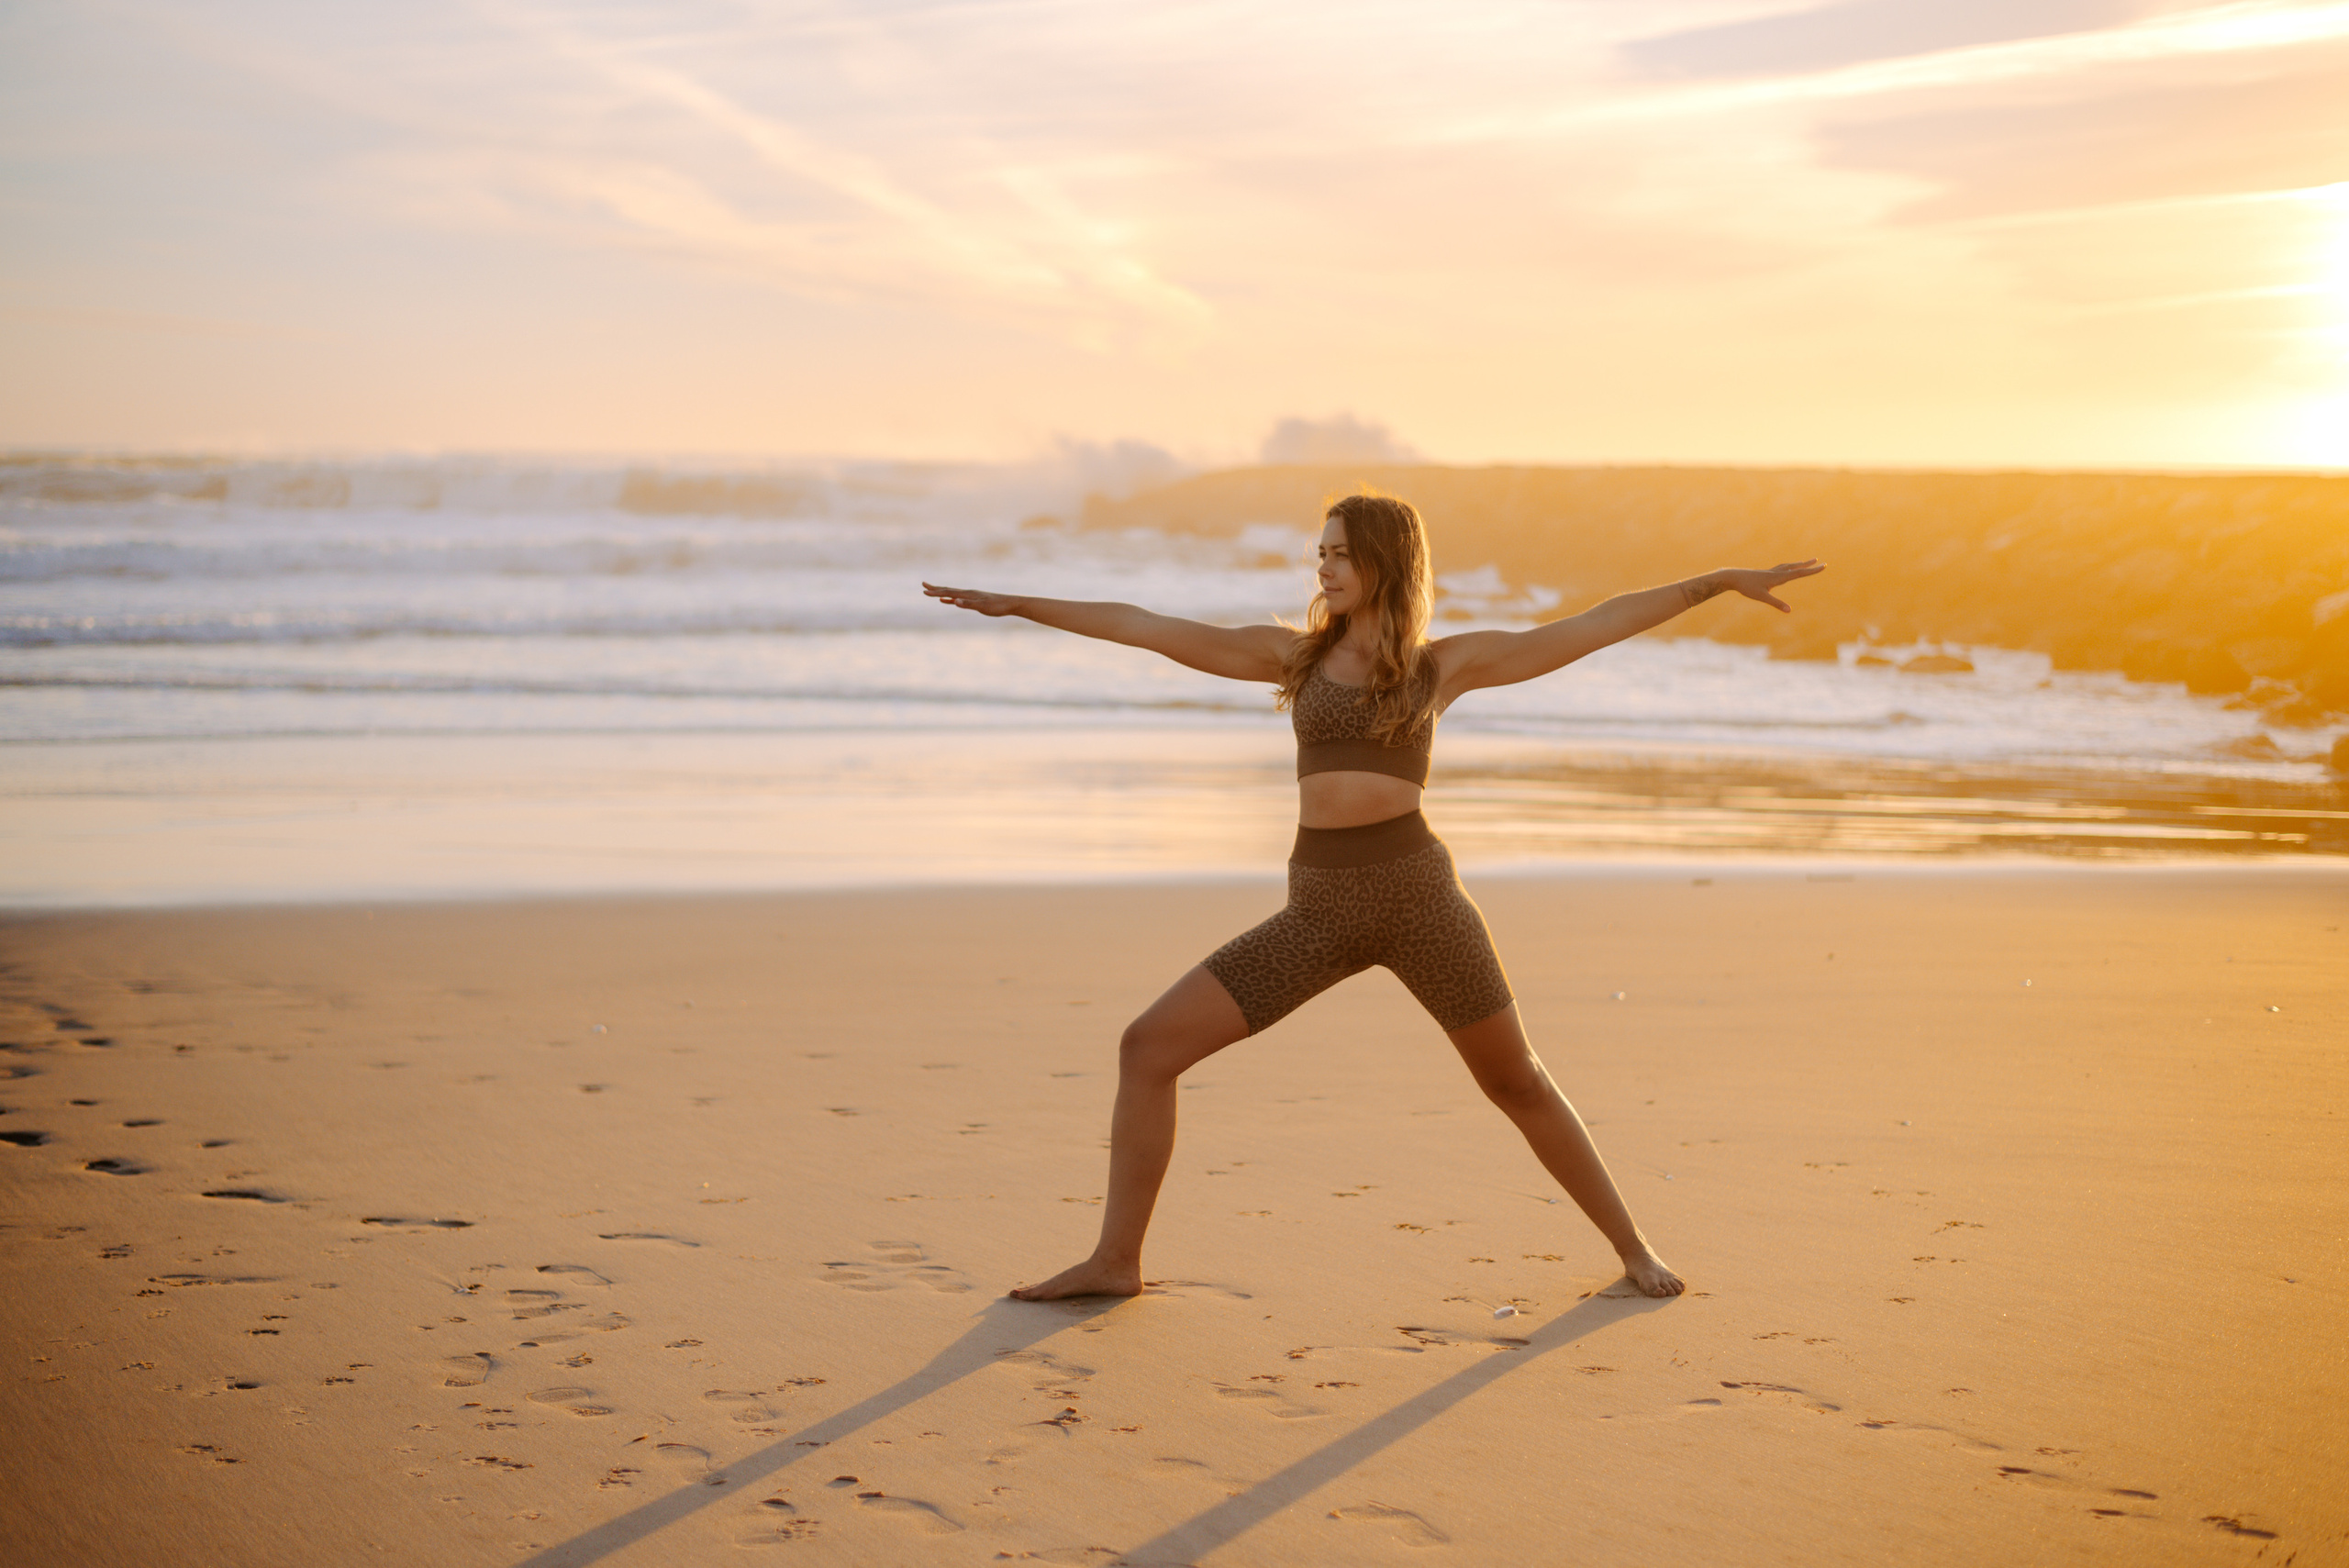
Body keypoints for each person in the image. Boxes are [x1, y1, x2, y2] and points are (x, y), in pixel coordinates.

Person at [924, 493, 1821, 1300]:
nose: (1322, 566)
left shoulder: (1441, 666)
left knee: (1515, 1079)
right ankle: (1115, 1261)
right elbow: (1145, 623)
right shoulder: (1292, 657)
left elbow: (1591, 624)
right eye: (1320, 551)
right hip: (1316, 913)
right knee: (1148, 1046)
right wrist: (1018, 604)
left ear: (1385, 562)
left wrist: (1718, 582)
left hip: (1419, 900)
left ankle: (1631, 1245)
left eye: (1339, 552)